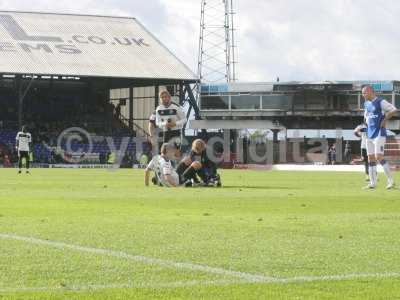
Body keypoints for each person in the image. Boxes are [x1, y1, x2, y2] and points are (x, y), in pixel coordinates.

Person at [362, 85, 398, 189]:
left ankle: (391, 181)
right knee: (370, 158)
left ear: (370, 92)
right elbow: (366, 117)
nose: (363, 95)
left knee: (379, 156)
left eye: (364, 93)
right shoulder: (367, 104)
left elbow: (394, 110)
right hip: (369, 134)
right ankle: (372, 183)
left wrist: (384, 120)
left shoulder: (381, 101)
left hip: (379, 133)